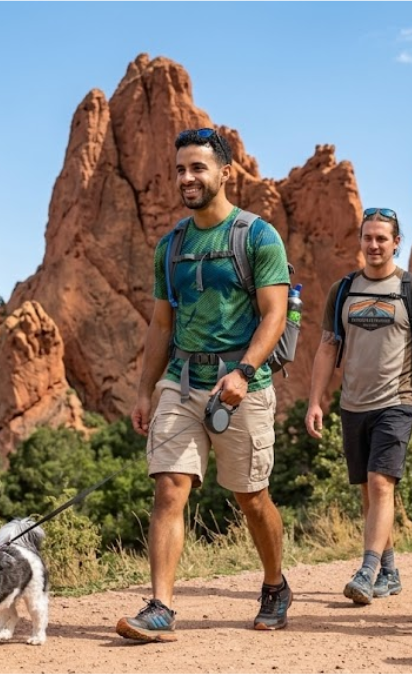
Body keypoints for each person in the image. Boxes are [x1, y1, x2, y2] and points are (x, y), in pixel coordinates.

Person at [117, 127, 292, 642]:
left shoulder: (257, 236)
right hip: (181, 380)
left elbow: (274, 314)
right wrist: (145, 390)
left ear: (224, 172)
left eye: (197, 168)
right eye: (179, 169)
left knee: (250, 497)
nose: (187, 178)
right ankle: (161, 608)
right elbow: (161, 326)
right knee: (170, 488)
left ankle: (275, 584)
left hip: (241, 384)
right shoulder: (170, 247)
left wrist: (243, 372)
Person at [305, 207, 412, 606]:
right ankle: (391, 571)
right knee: (369, 495)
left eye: (383, 238)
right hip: (352, 404)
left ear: (397, 242)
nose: (375, 244)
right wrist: (316, 400)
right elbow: (328, 346)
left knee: (382, 485)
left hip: (396, 402)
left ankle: (366, 571)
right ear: (360, 240)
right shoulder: (343, 289)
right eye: (368, 237)